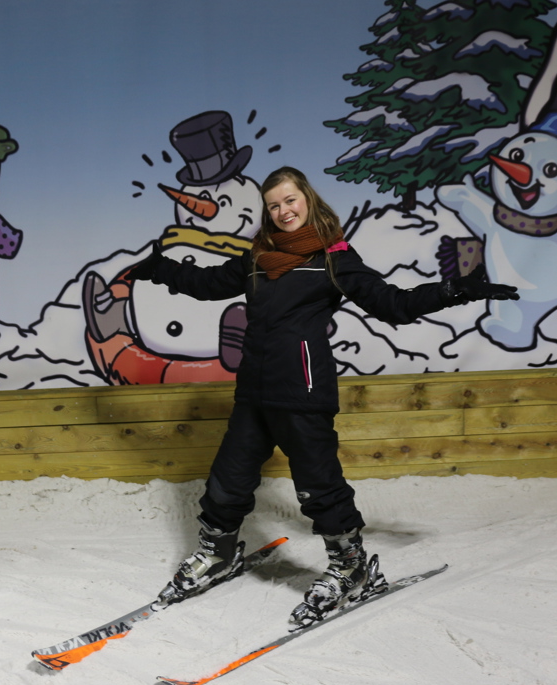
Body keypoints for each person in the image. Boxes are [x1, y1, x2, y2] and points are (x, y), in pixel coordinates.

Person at [126, 166, 519, 630]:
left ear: (307, 200)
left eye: (290, 201)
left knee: (318, 486)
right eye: (274, 205)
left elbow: (393, 304)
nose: (283, 211)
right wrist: (160, 268)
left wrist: (456, 290)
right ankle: (217, 555)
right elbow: (210, 284)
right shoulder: (258, 257)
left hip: (303, 391)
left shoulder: (334, 257)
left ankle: (350, 568)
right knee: (226, 483)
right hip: (255, 391)